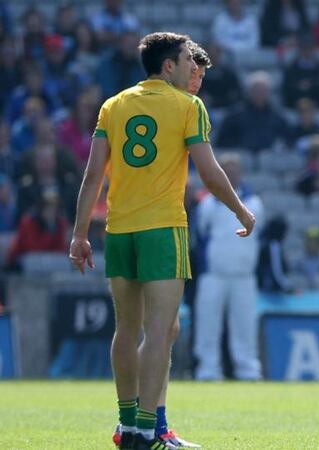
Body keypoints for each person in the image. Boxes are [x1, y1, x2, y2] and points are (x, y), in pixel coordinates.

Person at [68, 32, 255, 450]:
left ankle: (128, 424)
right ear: (167, 66)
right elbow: (208, 173)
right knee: (158, 332)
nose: (194, 69)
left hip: (118, 230)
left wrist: (80, 234)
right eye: (188, 60)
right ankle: (147, 429)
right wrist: (240, 210)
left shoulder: (113, 105)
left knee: (129, 329)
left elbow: (93, 175)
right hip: (162, 230)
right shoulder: (188, 106)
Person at [194, 153, 264, 381]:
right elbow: (201, 237)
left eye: (235, 169)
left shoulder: (254, 203)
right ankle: (208, 370)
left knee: (244, 326)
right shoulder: (207, 204)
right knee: (208, 326)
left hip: (244, 276)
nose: (232, 174)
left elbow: (258, 238)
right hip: (213, 276)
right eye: (227, 170)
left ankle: (248, 370)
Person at [216, 71, 288, 152]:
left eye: (264, 91)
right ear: (249, 92)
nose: (260, 94)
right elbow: (222, 142)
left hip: (270, 160)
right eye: (257, 90)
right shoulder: (234, 115)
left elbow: (286, 141)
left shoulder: (277, 117)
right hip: (242, 159)